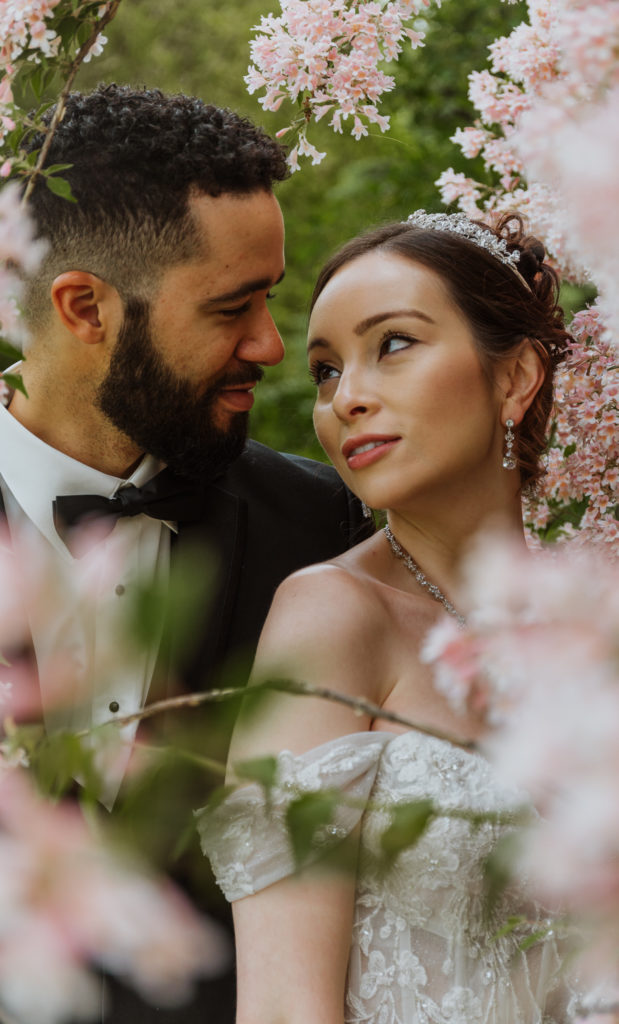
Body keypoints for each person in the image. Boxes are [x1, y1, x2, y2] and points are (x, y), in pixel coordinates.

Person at [0, 83, 371, 1022]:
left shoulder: (322, 530)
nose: (272, 346)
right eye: (231, 307)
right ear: (85, 307)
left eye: (271, 299)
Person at [199, 211, 575, 1023]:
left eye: (392, 344)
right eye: (327, 371)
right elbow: (282, 1008)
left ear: (513, 377)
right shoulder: (332, 616)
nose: (347, 400)